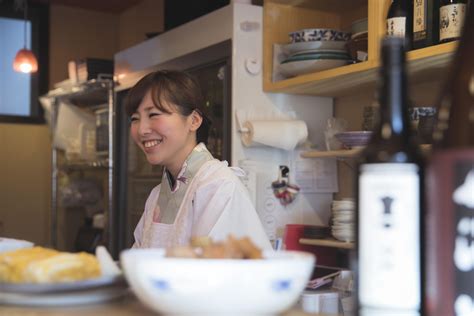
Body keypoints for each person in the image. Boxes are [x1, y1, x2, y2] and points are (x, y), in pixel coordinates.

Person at [126, 70, 272, 250]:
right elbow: (138, 262)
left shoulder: (218, 186)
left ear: (194, 120)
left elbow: (215, 271)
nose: (141, 129)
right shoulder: (157, 196)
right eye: (134, 118)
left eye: (154, 114)